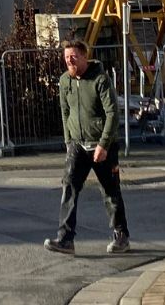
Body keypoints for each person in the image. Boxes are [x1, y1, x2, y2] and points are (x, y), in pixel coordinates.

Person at [45, 38, 130, 255]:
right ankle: (65, 239)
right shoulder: (65, 81)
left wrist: (103, 144)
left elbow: (112, 113)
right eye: (66, 57)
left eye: (73, 56)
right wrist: (68, 141)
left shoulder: (100, 80)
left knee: (110, 191)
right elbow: (65, 112)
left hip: (102, 145)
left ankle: (121, 236)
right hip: (77, 145)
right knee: (69, 188)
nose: (69, 61)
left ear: (84, 56)